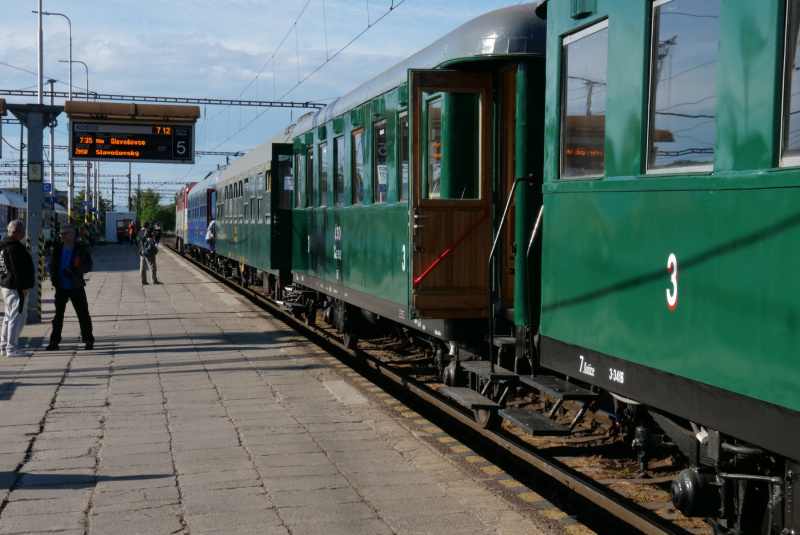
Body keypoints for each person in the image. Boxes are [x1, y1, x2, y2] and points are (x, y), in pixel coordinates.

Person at [46, 224, 95, 351]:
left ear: (73, 234)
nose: (62, 235)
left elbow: (89, 266)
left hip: (76, 286)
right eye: (61, 233)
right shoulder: (57, 249)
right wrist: (53, 278)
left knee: (83, 314)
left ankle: (88, 339)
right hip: (60, 286)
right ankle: (54, 341)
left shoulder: (81, 249)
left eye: (65, 233)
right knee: (58, 315)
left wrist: (75, 270)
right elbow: (51, 266)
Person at [0, 220, 35, 357]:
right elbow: (17, 269)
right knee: (16, 317)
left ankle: (3, 346)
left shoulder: (3, 246)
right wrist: (24, 286)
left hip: (6, 285)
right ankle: (12, 348)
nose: (24, 232)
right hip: (15, 287)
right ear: (20, 231)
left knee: (8, 317)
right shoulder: (14, 247)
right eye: (23, 230)